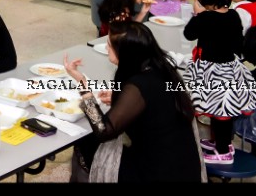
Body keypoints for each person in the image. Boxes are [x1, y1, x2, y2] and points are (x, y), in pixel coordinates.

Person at [64, 21, 204, 182]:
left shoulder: (138, 86)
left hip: (155, 173)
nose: (106, 47)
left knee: (86, 142)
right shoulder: (161, 70)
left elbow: (103, 131)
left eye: (109, 44)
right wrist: (120, 98)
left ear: (125, 53)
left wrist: (84, 88)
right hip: (185, 167)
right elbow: (152, 101)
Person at [183, 0, 256, 164]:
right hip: (230, 68)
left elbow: (189, 34)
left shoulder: (204, 18)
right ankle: (220, 142)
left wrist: (196, 15)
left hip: (211, 71)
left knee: (220, 112)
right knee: (224, 110)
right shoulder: (234, 15)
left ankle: (223, 151)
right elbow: (237, 44)